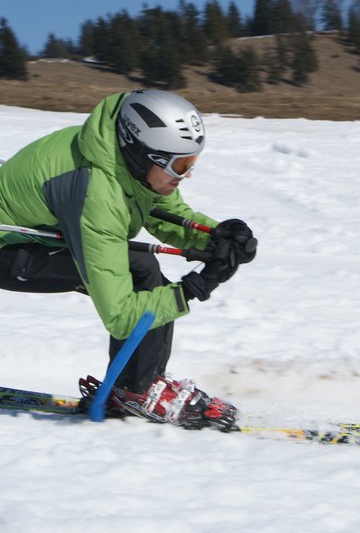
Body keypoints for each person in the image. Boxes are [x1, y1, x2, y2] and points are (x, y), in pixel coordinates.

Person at [0, 90, 257, 429]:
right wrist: (193, 288)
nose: (187, 174)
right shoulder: (97, 192)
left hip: (37, 234)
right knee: (140, 273)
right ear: (141, 152)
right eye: (180, 165)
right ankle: (137, 391)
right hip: (7, 250)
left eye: (192, 162)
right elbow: (120, 315)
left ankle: (139, 386)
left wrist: (217, 238)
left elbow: (163, 210)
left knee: (143, 272)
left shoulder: (119, 157)